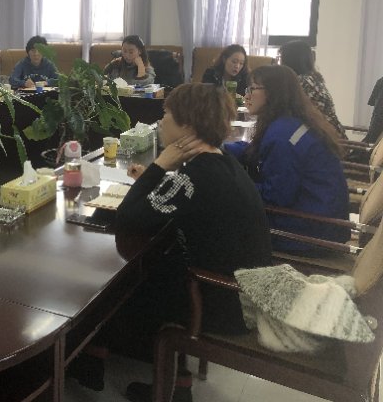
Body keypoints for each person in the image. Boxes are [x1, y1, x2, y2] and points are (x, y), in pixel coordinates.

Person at [69, 84, 272, 401]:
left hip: (223, 301)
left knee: (120, 283)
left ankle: (102, 360)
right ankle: (103, 357)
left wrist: (159, 165)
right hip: (237, 288)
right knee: (147, 264)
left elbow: (128, 217)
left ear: (187, 126)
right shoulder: (218, 162)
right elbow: (182, 198)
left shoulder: (196, 176)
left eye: (166, 115)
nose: (160, 121)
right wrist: (157, 177)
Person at [224, 64, 350, 252]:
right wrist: (222, 149)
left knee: (220, 212)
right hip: (321, 221)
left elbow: (275, 197)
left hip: (309, 232)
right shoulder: (289, 124)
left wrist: (230, 183)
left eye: (252, 88)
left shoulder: (283, 135)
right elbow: (255, 151)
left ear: (273, 93)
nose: (246, 95)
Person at [278, 39, 346, 138]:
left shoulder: (302, 82)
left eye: (281, 58)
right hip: (327, 132)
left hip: (324, 137)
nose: (279, 62)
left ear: (289, 59)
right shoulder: (312, 77)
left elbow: (290, 111)